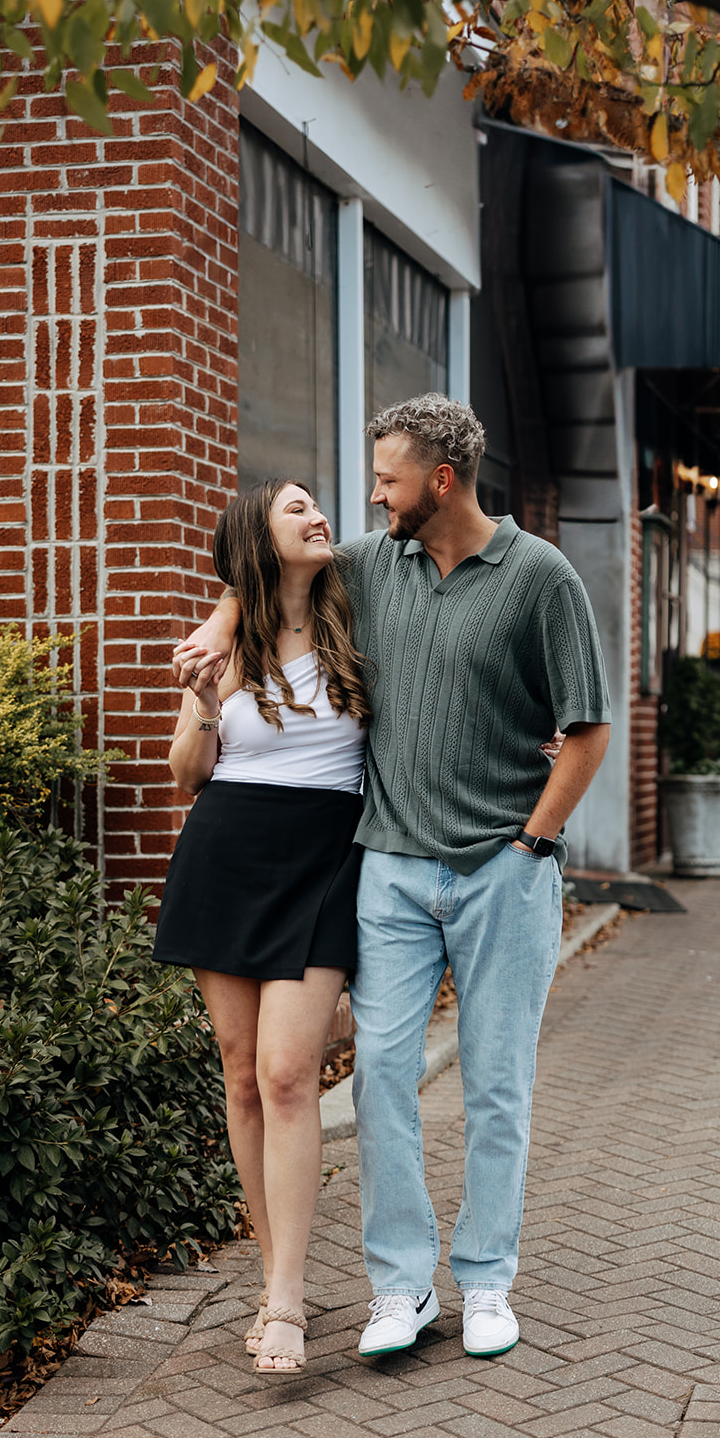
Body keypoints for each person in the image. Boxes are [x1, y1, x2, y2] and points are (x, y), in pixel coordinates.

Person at [174, 395, 611, 1360]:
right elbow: (263, 571)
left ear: (439, 482)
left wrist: (534, 844)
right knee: (377, 1075)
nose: (370, 495)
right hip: (390, 869)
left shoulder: (539, 576)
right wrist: (217, 622)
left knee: (497, 1084)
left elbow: (586, 727)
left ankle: (487, 1281)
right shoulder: (372, 565)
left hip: (504, 867)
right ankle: (399, 1287)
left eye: (386, 479)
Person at [154, 478, 371, 1374]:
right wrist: (204, 701)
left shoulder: (356, 617)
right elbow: (184, 774)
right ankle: (273, 1276)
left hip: (324, 856)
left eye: (316, 503)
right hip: (225, 852)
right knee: (241, 1078)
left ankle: (286, 1299)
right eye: (297, 508)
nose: (320, 516)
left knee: (289, 1074)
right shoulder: (226, 645)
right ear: (257, 535)